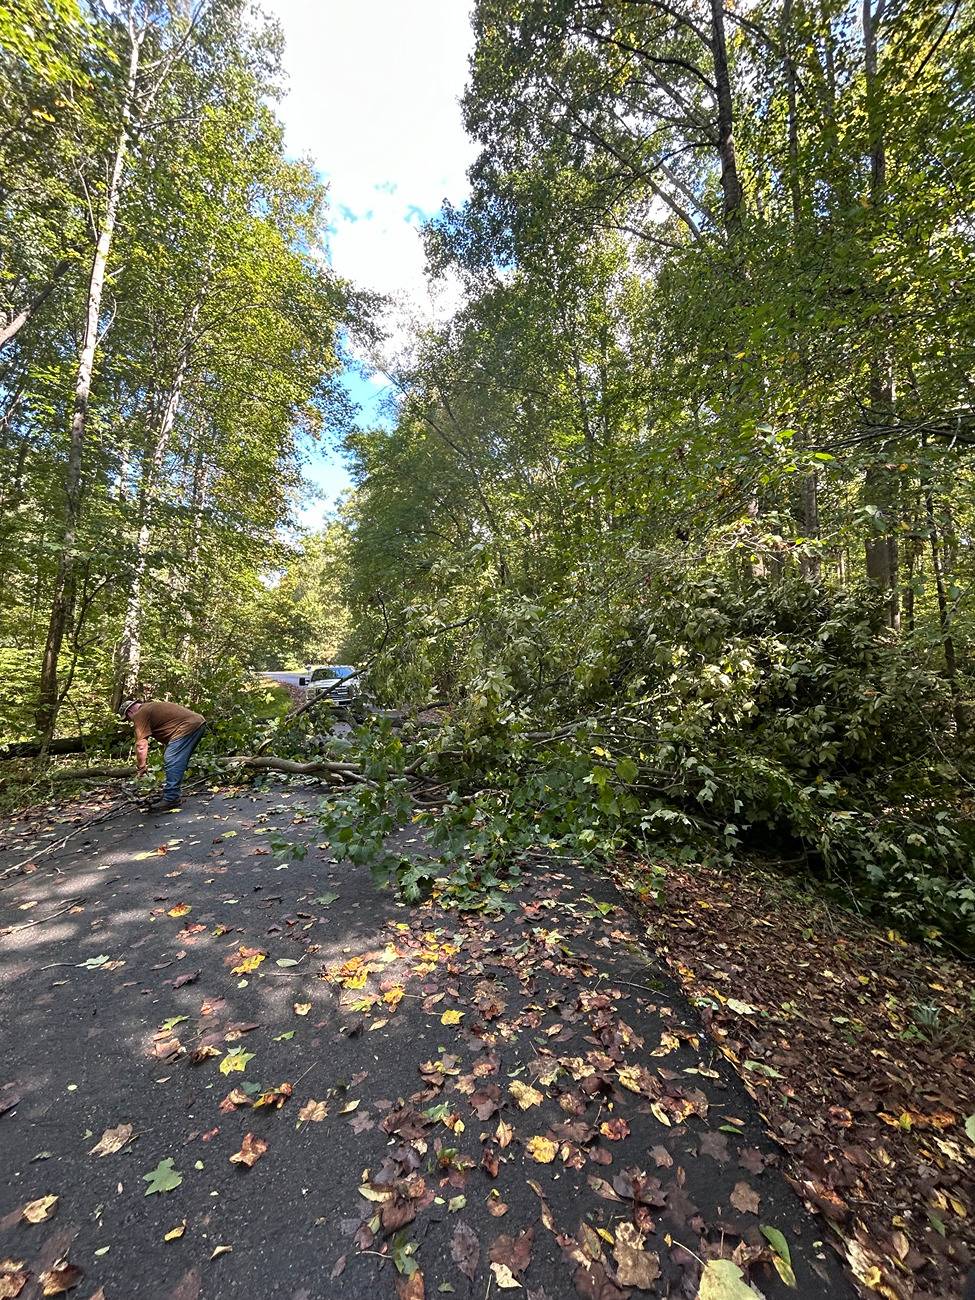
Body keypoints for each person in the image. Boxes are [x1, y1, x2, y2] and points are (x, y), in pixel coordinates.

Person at [118, 698, 206, 812]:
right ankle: (171, 793)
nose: (130, 721)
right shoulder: (150, 707)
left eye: (128, 719)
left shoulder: (140, 714)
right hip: (197, 723)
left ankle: (171, 798)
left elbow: (141, 746)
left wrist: (141, 767)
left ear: (129, 712)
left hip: (187, 726)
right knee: (176, 760)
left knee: (171, 759)